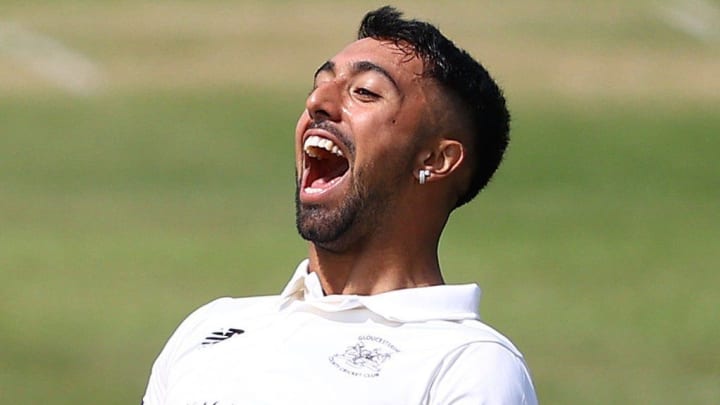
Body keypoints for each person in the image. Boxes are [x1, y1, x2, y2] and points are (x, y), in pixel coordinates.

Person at [142, 6, 537, 404]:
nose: (317, 101)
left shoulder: (467, 365)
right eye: (320, 84)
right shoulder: (211, 327)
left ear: (435, 160)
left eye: (364, 91)